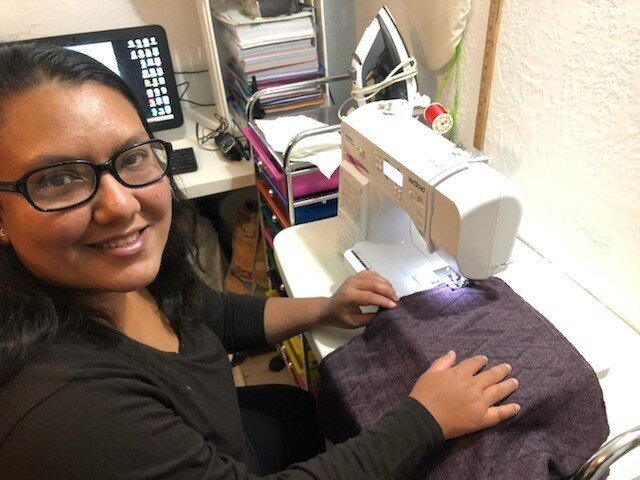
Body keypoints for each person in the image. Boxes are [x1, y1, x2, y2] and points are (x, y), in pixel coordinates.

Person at [0, 43, 520, 480]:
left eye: (132, 157)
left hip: (227, 435)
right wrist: (423, 419)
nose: (120, 205)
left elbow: (210, 315)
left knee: (300, 407)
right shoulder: (70, 414)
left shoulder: (116, 280)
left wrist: (325, 308)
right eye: (56, 179)